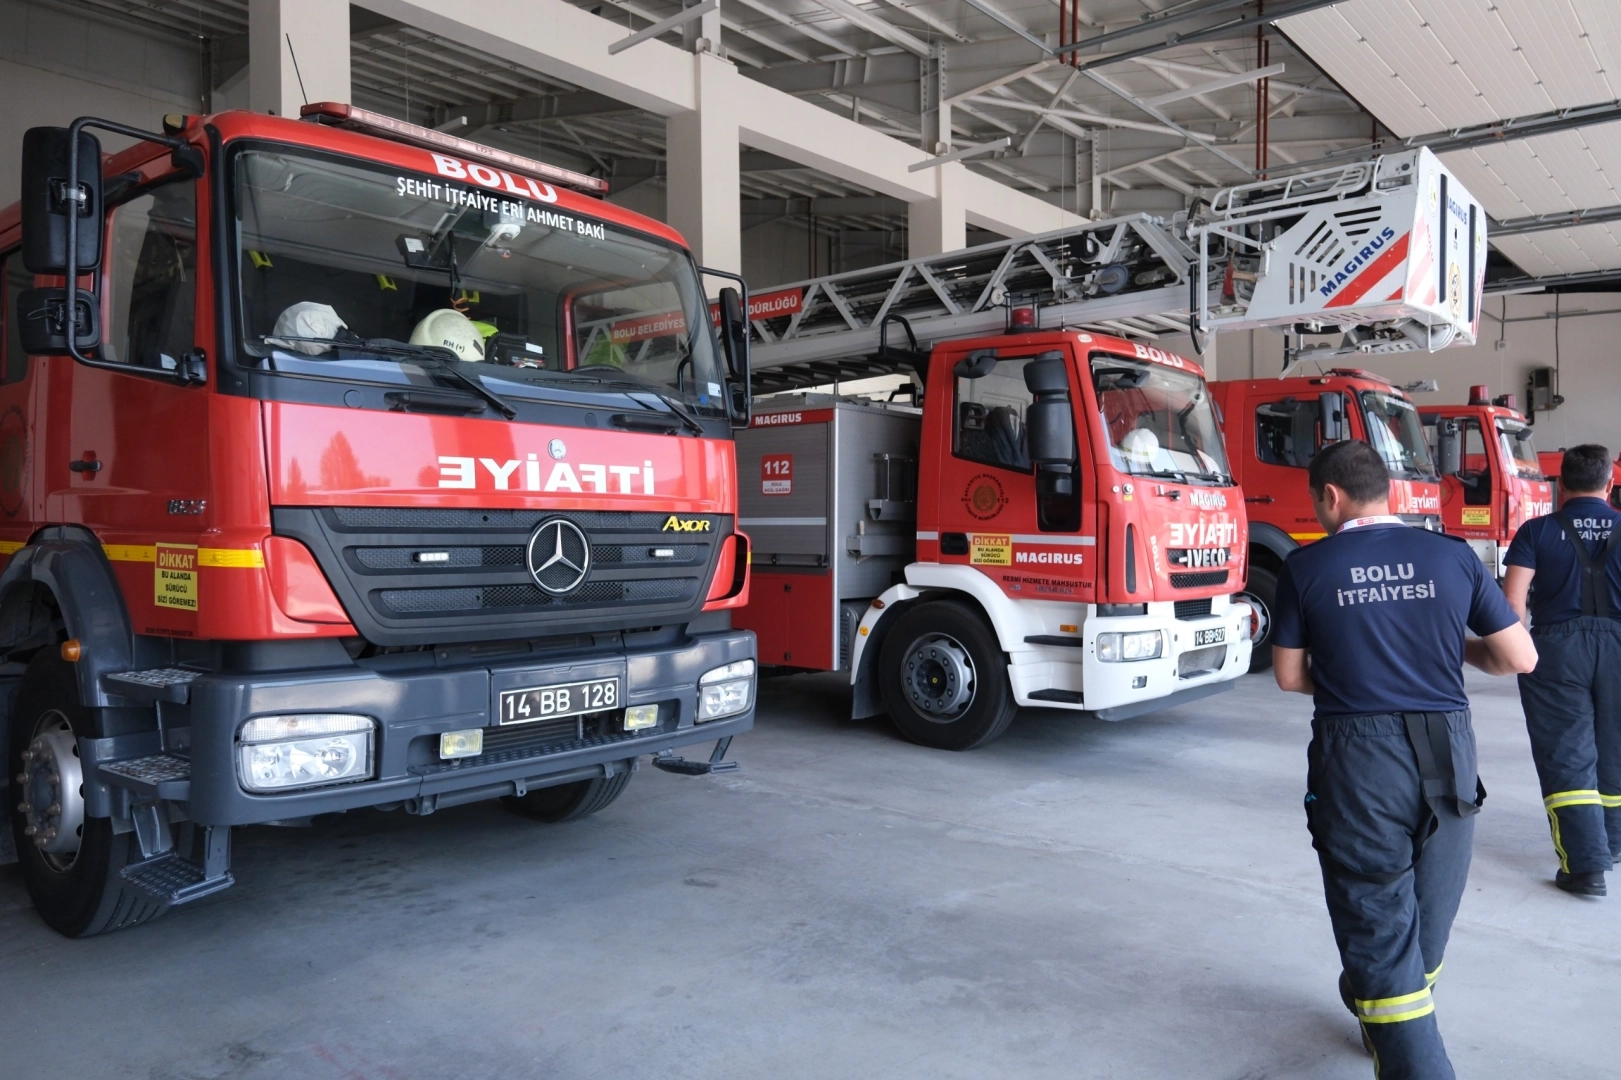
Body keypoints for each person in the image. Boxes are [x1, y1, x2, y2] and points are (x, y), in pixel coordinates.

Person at [1270, 440, 1537, 1079]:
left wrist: (1354, 675)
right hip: (1447, 747)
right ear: (1386, 490)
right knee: (1430, 908)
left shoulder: (1306, 567)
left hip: (1358, 757)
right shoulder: (1451, 556)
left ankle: (1401, 1033)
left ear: (1330, 496)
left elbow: (1289, 675)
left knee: (1376, 920)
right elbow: (1519, 658)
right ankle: (1385, 1009)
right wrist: (1448, 650)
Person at [1503, 443, 1621, 897]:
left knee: (1567, 753)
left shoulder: (1536, 531)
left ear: (1560, 484)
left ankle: (1586, 867)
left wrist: (1515, 654)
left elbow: (1513, 605)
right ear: (1609, 484)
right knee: (1615, 746)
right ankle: (1612, 843)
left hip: (1556, 650)